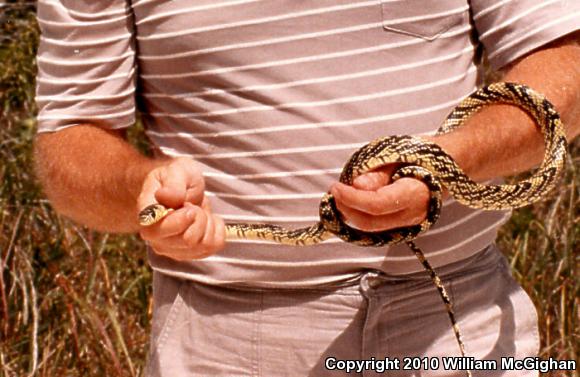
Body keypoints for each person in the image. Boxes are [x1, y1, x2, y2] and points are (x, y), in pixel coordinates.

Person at [34, 1, 579, 376]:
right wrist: (142, 189)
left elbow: (567, 67)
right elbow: (69, 140)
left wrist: (444, 161)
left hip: (455, 318)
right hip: (223, 339)